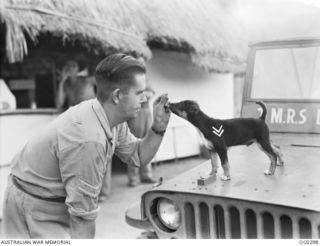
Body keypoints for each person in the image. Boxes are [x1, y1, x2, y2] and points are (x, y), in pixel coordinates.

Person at [2, 53, 171, 238]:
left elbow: (138, 155)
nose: (145, 99)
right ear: (117, 96)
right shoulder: (89, 141)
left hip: (47, 199)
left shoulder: (110, 116)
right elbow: (82, 219)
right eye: (139, 93)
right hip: (30, 202)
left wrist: (158, 127)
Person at [127, 84, 157, 187]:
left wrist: (143, 94)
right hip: (135, 111)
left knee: (147, 143)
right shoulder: (129, 77)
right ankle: (133, 177)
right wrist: (143, 95)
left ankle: (146, 175)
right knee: (134, 144)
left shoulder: (145, 79)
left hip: (147, 112)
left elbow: (152, 92)